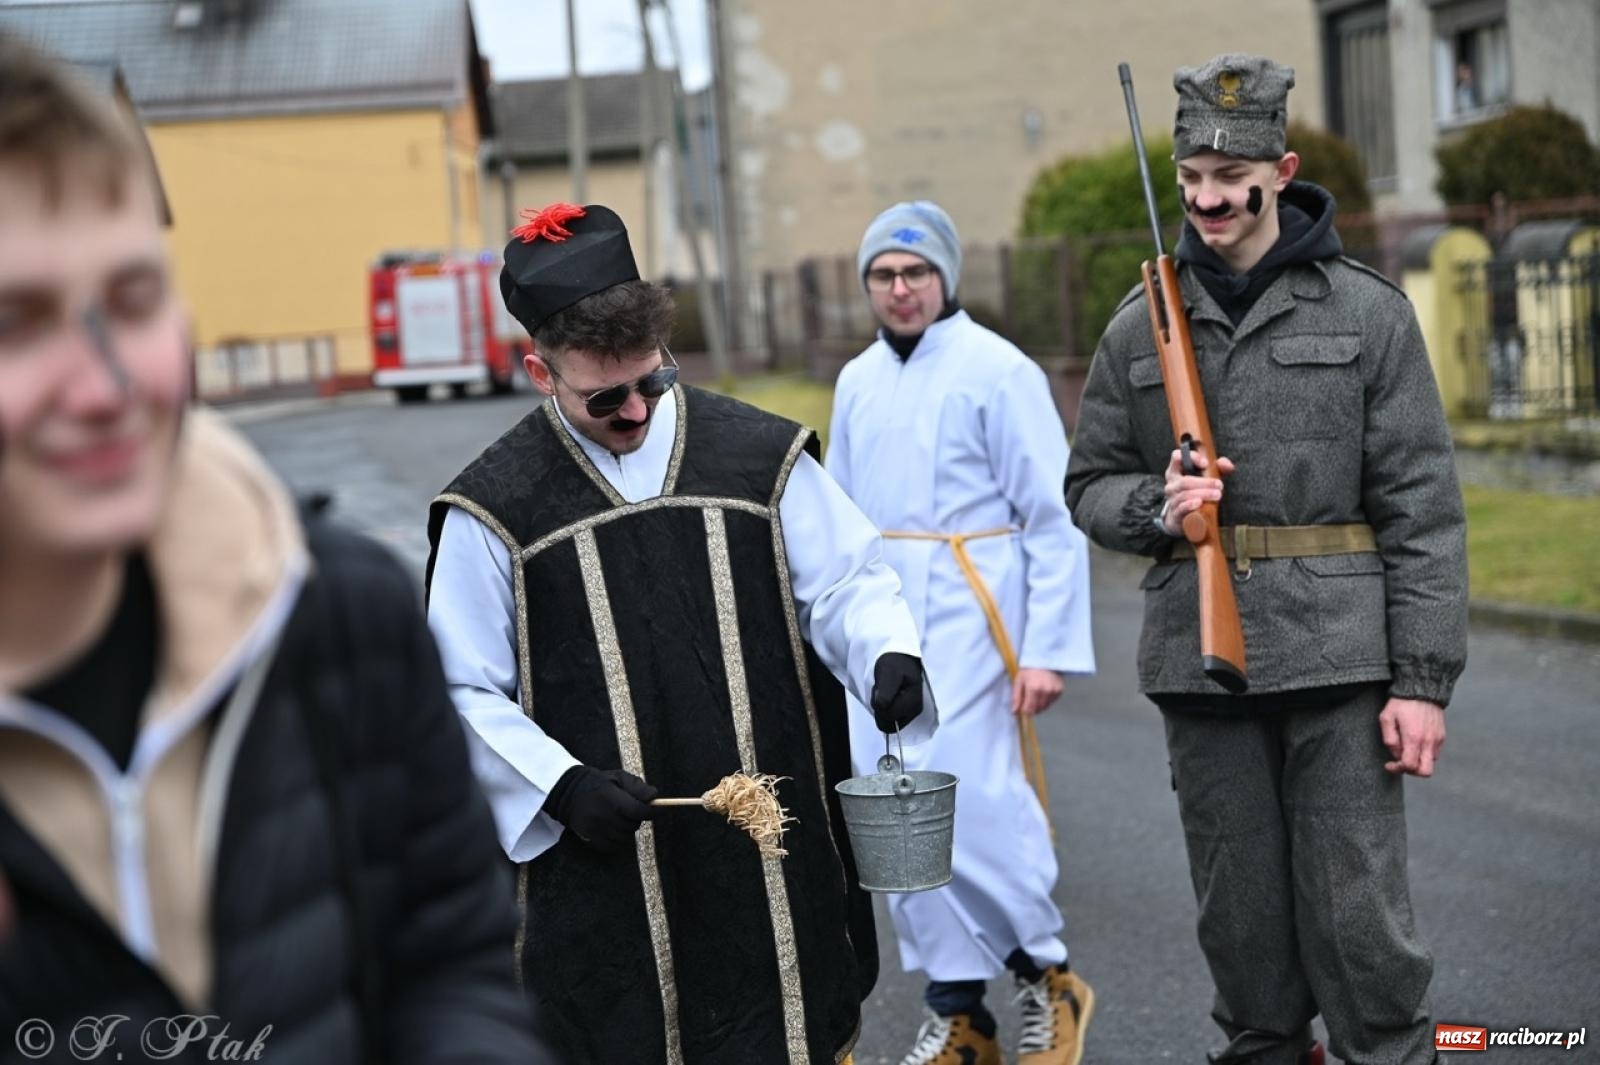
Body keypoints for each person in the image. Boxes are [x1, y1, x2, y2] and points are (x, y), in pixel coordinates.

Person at [0, 33, 557, 1064]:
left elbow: (450, 961)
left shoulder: (337, 612)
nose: (105, 385)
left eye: (132, 299)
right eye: (17, 321)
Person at [424, 201, 936, 1065]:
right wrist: (557, 782)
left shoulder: (757, 460)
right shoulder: (496, 511)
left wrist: (887, 648)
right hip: (602, 859)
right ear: (539, 372)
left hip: (767, 843)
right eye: (604, 395)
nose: (634, 410)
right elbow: (457, 687)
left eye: (650, 381)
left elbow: (849, 581)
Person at [1065, 54, 1466, 1065]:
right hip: (1201, 664)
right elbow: (1087, 487)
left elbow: (1421, 506)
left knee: (1359, 923)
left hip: (1339, 657)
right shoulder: (1134, 328)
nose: (1204, 199)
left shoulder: (1368, 314)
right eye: (1189, 176)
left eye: (1228, 177)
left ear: (1279, 172)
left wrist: (1420, 681)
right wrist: (1161, 506)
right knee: (1241, 931)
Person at [827, 201, 1096, 1065]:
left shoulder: (998, 369)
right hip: (882, 623)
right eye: (884, 275)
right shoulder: (856, 381)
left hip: (977, 617)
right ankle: (958, 1014)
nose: (900, 290)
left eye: (915, 273)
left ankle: (1046, 976)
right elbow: (837, 518)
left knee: (974, 798)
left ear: (944, 278)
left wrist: (1048, 647)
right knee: (893, 809)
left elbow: (1052, 517)